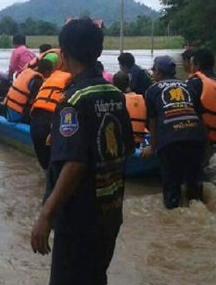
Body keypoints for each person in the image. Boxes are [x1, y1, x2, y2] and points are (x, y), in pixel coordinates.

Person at [30, 18, 135, 285]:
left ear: (63, 55)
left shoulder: (72, 101)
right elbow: (128, 148)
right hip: (110, 213)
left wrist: (46, 214)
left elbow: (74, 164)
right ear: (99, 52)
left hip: (79, 220)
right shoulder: (115, 94)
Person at [141, 56, 207, 209]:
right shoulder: (188, 86)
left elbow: (153, 122)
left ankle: (173, 218)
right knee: (195, 187)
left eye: (153, 70)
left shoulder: (152, 90)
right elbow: (200, 116)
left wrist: (152, 146)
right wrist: (205, 143)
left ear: (157, 72)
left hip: (170, 142)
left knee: (172, 190)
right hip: (196, 139)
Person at [30, 63, 71, 171]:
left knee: (45, 165)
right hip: (51, 121)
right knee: (56, 167)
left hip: (35, 120)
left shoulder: (50, 78)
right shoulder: (73, 79)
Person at [186, 49, 216, 143]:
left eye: (191, 65)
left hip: (193, 135)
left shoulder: (194, 82)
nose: (191, 69)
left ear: (197, 65)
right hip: (214, 136)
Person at [5, 59, 53, 124]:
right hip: (18, 115)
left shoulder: (27, 71)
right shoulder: (38, 81)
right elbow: (35, 102)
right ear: (47, 72)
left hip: (8, 109)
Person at [112, 71, 148, 145]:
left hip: (124, 141)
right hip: (140, 139)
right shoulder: (141, 98)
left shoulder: (116, 101)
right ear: (129, 83)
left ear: (114, 84)